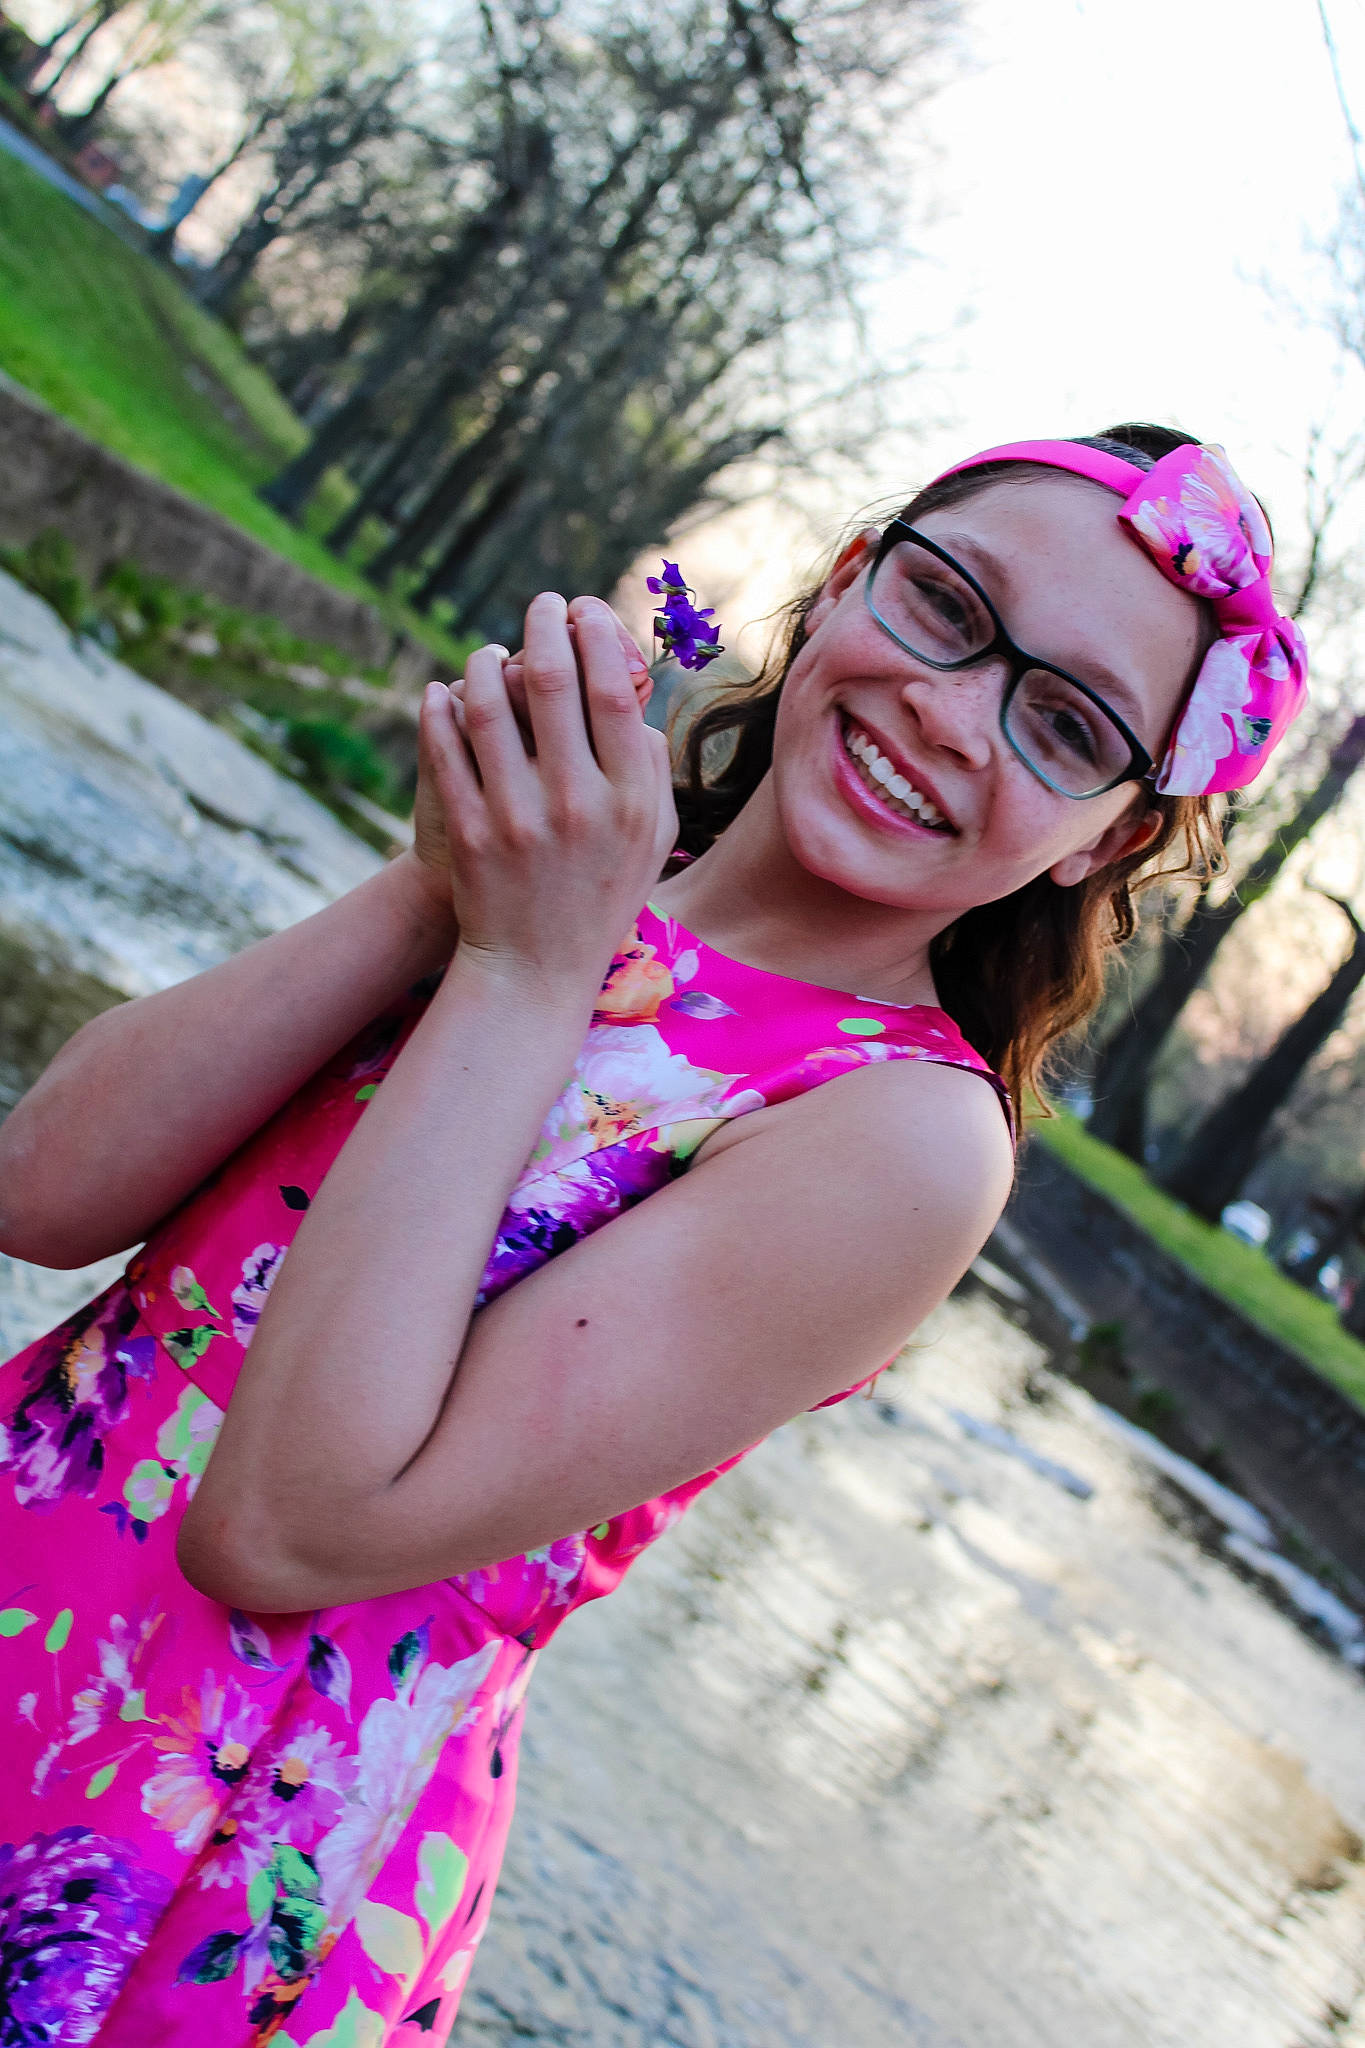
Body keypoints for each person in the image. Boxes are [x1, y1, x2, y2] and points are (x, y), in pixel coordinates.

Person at [0, 424, 1306, 2044]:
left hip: (174, 1832)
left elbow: (281, 1529)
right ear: (842, 584)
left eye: (1060, 726)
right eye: (944, 606)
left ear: (1103, 837)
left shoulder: (900, 1138)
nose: (950, 713)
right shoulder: (571, 868)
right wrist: (442, 888)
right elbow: (43, 1188)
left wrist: (520, 970)